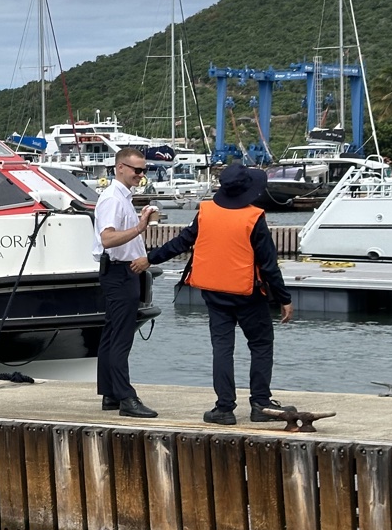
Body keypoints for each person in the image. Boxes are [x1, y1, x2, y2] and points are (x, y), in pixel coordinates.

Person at [148, 164, 295, 425]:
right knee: (260, 345)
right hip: (249, 293)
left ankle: (224, 408)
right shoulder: (254, 217)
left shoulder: (205, 211)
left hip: (214, 292)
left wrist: (149, 258)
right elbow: (269, 264)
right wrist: (284, 298)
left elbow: (181, 242)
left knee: (222, 349)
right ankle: (260, 404)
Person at [93, 148, 158, 418]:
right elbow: (107, 239)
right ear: (120, 168)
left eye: (144, 171)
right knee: (121, 337)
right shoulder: (112, 199)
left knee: (112, 334)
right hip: (120, 272)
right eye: (137, 170)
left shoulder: (121, 197)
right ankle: (126, 398)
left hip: (122, 271)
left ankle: (110, 393)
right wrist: (139, 228)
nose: (141, 175)